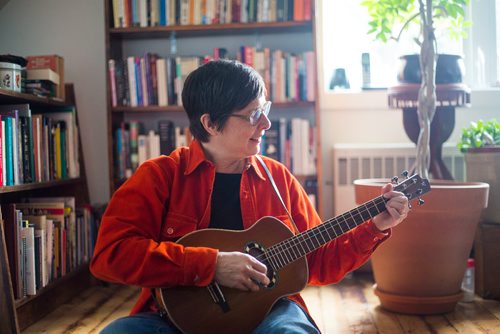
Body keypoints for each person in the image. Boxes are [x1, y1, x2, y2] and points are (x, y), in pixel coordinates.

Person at [90, 59, 409, 333]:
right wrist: (211, 265)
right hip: (175, 320)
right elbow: (110, 256)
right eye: (254, 114)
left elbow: (319, 264)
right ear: (210, 123)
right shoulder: (160, 175)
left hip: (268, 315)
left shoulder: (278, 178)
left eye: (265, 110)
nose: (267, 123)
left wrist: (375, 226)